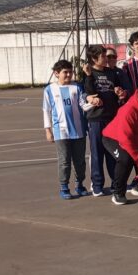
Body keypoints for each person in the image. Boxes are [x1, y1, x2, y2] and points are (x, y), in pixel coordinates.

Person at [43, 59, 89, 199]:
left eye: (70, 72)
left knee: (80, 161)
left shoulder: (77, 87)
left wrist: (94, 103)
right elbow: (46, 110)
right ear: (56, 73)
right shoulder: (49, 89)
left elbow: (83, 105)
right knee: (64, 161)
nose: (69, 75)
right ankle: (64, 187)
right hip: (60, 131)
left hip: (79, 130)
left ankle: (79, 185)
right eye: (65, 72)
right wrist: (48, 130)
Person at [82, 45, 120, 195]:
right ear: (93, 58)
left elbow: (118, 90)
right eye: (103, 56)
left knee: (113, 152)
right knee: (97, 153)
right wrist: (89, 76)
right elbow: (89, 93)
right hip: (96, 119)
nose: (106, 59)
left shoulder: (111, 73)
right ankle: (97, 185)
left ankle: (116, 183)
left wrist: (119, 91)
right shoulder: (88, 73)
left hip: (111, 118)